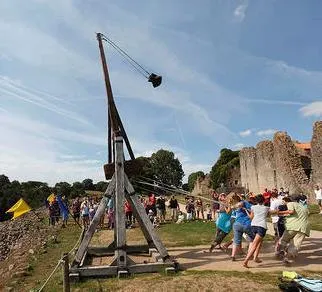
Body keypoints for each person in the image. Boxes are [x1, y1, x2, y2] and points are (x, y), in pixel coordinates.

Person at [278, 195, 310, 263]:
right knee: (295, 244)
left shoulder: (291, 203)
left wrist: (279, 212)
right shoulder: (304, 207)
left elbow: (291, 211)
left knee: (284, 239)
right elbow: (306, 214)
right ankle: (287, 258)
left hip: (293, 226)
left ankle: (281, 251)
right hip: (304, 228)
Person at [243, 194, 272, 268]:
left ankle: (256, 257)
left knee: (260, 242)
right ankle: (246, 261)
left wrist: (246, 211)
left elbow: (251, 217)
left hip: (253, 226)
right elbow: (268, 215)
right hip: (261, 227)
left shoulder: (253, 207)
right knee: (255, 244)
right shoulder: (266, 208)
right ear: (264, 200)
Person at [231, 194, 255, 261]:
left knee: (236, 241)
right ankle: (249, 255)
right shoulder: (240, 204)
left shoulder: (243, 203)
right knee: (251, 240)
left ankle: (233, 255)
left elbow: (240, 204)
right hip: (246, 224)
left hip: (237, 224)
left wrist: (245, 209)